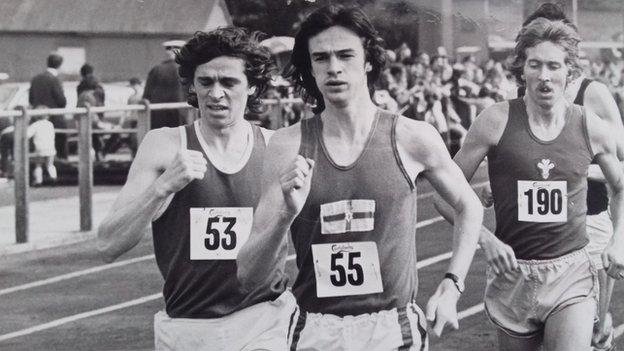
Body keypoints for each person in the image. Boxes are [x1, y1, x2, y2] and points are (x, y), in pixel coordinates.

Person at [237, 5, 483, 350]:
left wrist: (452, 283)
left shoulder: (412, 137)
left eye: (345, 55)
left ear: (368, 60)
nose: (334, 68)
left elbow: (469, 207)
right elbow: (248, 273)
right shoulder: (287, 145)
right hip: (315, 330)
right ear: (309, 67)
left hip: (393, 328)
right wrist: (284, 215)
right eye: (321, 58)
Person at [97, 28, 295, 351]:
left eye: (229, 82)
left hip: (263, 320)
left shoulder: (277, 148)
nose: (216, 94)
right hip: (186, 326)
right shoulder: (163, 146)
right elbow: (107, 244)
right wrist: (161, 188)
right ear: (192, 85)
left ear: (254, 86)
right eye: (206, 82)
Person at [435, 17, 624, 351]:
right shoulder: (495, 121)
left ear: (571, 72)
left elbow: (621, 185)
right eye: (535, 65)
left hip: (571, 272)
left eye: (554, 66)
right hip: (513, 275)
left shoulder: (589, 125)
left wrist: (619, 241)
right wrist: (486, 240)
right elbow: (443, 195)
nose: (545, 76)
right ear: (521, 69)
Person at [511, 5, 624, 350]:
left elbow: (620, 156)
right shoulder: (528, 94)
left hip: (588, 221)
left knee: (591, 331)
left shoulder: (593, 92)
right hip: (541, 232)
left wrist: (571, 170)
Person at [29, 53, 67, 158]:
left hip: (37, 117)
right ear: (60, 65)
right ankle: (61, 162)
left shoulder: (36, 79)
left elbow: (31, 99)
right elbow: (61, 101)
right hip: (54, 118)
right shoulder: (55, 80)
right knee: (61, 138)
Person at [143, 40, 186, 129]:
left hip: (158, 117)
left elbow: (146, 96)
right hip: (181, 116)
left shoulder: (156, 70)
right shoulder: (188, 70)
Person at [29, 106, 57, 185]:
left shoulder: (35, 125)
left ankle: (38, 180)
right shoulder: (50, 124)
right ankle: (53, 177)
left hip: (40, 148)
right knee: (50, 164)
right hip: (50, 148)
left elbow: (27, 134)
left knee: (38, 165)